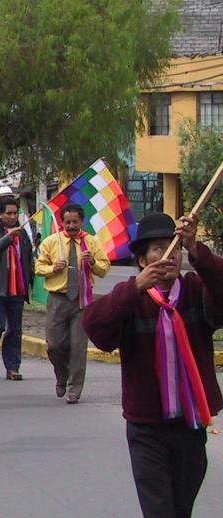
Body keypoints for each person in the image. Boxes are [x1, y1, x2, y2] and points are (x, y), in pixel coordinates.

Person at [83, 213, 221, 518]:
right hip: (146, 428)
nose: (168, 256)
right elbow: (95, 328)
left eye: (175, 248)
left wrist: (198, 250)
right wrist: (134, 288)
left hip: (190, 425)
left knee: (181, 509)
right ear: (143, 260)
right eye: (159, 248)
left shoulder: (196, 291)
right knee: (159, 511)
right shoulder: (132, 300)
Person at [35, 203, 110, 404]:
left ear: (81, 221)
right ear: (62, 222)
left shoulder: (91, 243)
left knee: (78, 346)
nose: (71, 226)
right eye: (67, 222)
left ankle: (75, 389)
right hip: (58, 299)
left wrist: (93, 262)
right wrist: (53, 268)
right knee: (54, 345)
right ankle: (62, 375)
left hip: (82, 299)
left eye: (75, 222)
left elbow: (104, 268)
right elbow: (38, 267)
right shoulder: (52, 242)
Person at [0, 196, 33, 380]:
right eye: (8, 213)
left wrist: (29, 281)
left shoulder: (23, 233)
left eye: (15, 213)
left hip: (17, 288)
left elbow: (27, 258)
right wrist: (9, 237)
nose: (12, 216)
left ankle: (13, 367)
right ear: (0, 215)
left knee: (15, 330)